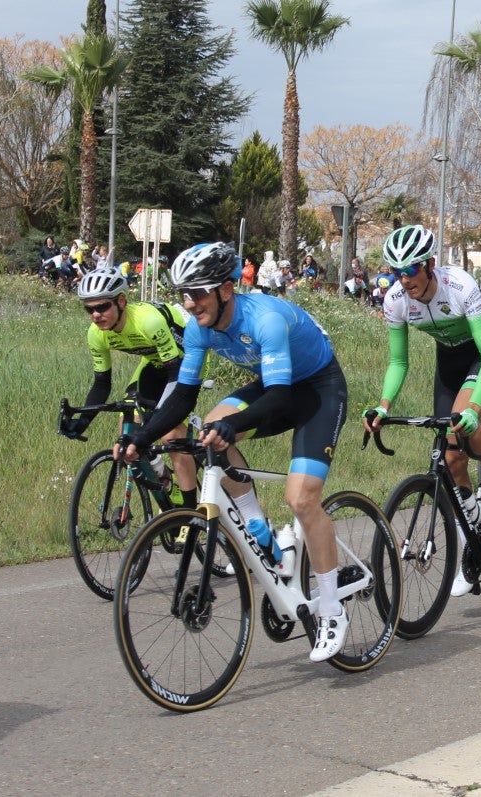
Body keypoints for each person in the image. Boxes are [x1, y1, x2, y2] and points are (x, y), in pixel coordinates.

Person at [115, 242, 352, 662]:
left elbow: (280, 397)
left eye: (198, 293)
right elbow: (183, 396)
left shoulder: (265, 319)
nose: (190, 303)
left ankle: (332, 608)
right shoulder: (198, 328)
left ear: (226, 289)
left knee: (301, 499)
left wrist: (235, 424)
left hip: (318, 390)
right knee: (210, 428)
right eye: (184, 294)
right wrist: (142, 437)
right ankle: (261, 531)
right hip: (275, 385)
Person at [362, 224, 481, 599]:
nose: (404, 279)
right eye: (397, 271)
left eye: (411, 269)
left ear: (429, 264)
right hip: (448, 364)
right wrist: (383, 405)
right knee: (450, 458)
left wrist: (475, 407)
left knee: (464, 423)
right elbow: (398, 362)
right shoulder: (396, 300)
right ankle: (470, 547)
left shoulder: (459, 285)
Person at [60, 268, 199, 507]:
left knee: (171, 434)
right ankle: (166, 482)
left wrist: (159, 417)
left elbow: (176, 372)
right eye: (89, 309)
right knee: (128, 431)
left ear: (121, 301)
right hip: (155, 363)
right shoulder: (96, 335)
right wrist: (81, 422)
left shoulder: (148, 321)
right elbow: (102, 384)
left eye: (102, 307)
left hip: (187, 361)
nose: (95, 315)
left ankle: (190, 512)